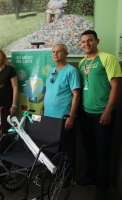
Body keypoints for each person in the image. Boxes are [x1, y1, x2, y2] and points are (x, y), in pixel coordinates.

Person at [74, 30, 122, 200]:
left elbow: (116, 86)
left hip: (103, 113)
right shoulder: (82, 63)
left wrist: (108, 110)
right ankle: (91, 177)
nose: (86, 44)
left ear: (97, 41)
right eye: (83, 41)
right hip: (86, 113)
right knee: (89, 148)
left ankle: (102, 188)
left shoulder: (107, 58)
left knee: (103, 151)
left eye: (90, 40)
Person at [40, 43, 81, 181]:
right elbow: (48, 91)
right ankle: (53, 173)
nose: (55, 54)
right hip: (49, 116)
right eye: (53, 52)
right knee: (51, 147)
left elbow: (76, 95)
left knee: (66, 148)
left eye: (59, 51)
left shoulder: (71, 71)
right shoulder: (52, 70)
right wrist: (42, 106)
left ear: (66, 53)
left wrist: (71, 116)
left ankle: (67, 177)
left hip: (63, 116)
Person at [0, 49, 18, 134]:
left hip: (6, 105)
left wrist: (14, 106)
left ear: (2, 57)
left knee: (5, 128)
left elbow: (15, 88)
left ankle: (6, 146)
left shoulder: (9, 69)